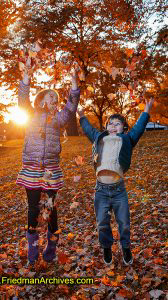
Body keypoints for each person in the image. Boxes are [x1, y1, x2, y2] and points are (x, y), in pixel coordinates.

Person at [17, 56, 80, 265]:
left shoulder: (58, 118)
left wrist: (73, 84)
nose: (56, 99)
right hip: (32, 168)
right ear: (42, 100)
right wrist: (25, 79)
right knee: (33, 209)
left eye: (57, 97)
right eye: (52, 96)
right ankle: (33, 250)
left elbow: (71, 108)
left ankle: (51, 248)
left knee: (51, 208)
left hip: (51, 169)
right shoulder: (30, 114)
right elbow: (22, 100)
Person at [77, 98, 154, 266]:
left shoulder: (126, 139)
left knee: (124, 223)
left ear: (123, 128)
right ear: (106, 128)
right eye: (110, 123)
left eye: (117, 124)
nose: (113, 126)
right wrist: (82, 115)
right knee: (102, 223)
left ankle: (125, 247)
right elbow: (88, 129)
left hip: (119, 190)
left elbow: (139, 128)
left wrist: (146, 111)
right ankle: (106, 247)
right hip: (101, 190)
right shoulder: (99, 138)